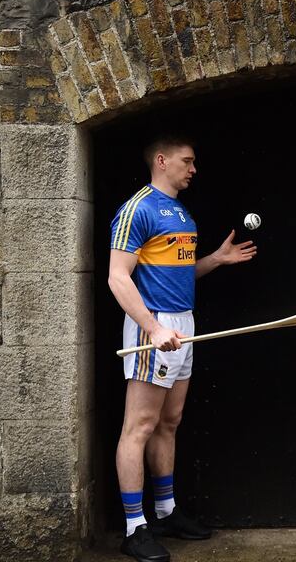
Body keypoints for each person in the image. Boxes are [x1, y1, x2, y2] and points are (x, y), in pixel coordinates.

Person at [108, 134, 257, 562]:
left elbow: (178, 274)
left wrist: (215, 260)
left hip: (183, 324)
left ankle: (166, 512)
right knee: (139, 425)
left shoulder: (181, 213)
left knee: (169, 422)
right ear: (161, 160)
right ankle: (135, 528)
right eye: (186, 161)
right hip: (151, 326)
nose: (193, 170)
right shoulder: (137, 208)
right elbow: (118, 277)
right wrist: (151, 327)